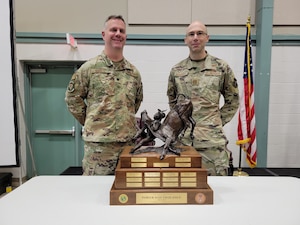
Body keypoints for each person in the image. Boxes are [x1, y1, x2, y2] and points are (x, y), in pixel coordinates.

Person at [65, 15, 143, 175]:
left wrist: (123, 121)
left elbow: (136, 101)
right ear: (103, 34)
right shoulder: (90, 68)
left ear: (125, 37)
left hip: (127, 145)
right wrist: (92, 121)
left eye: (121, 30)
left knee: (125, 194)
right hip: (98, 147)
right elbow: (72, 99)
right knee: (93, 193)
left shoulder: (133, 73)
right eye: (113, 29)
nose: (118, 33)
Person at [167, 21, 239, 176]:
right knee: (184, 191)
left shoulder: (221, 67)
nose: (195, 37)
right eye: (191, 34)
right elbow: (173, 102)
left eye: (200, 33)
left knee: (217, 192)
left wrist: (215, 122)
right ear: (185, 40)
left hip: (212, 146)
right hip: (184, 143)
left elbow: (233, 100)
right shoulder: (177, 70)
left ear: (207, 38)